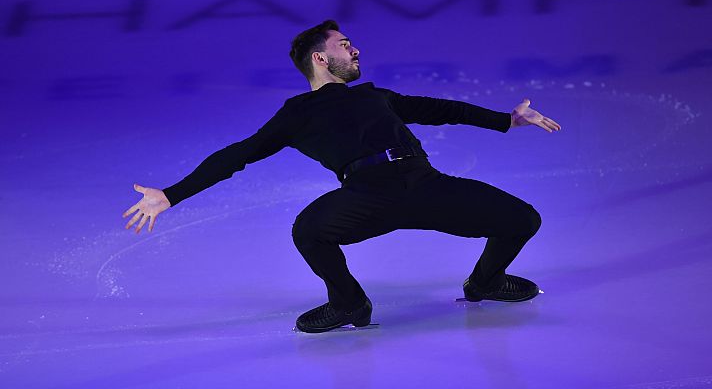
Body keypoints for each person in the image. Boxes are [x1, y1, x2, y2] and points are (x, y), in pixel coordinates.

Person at [122, 20, 561, 334]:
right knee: (309, 229)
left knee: (523, 219)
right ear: (320, 57)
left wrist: (506, 119)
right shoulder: (298, 113)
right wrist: (173, 195)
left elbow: (441, 109)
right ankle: (349, 303)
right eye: (345, 44)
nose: (355, 51)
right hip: (368, 196)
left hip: (426, 183)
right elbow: (241, 153)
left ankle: (484, 281)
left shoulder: (376, 96)